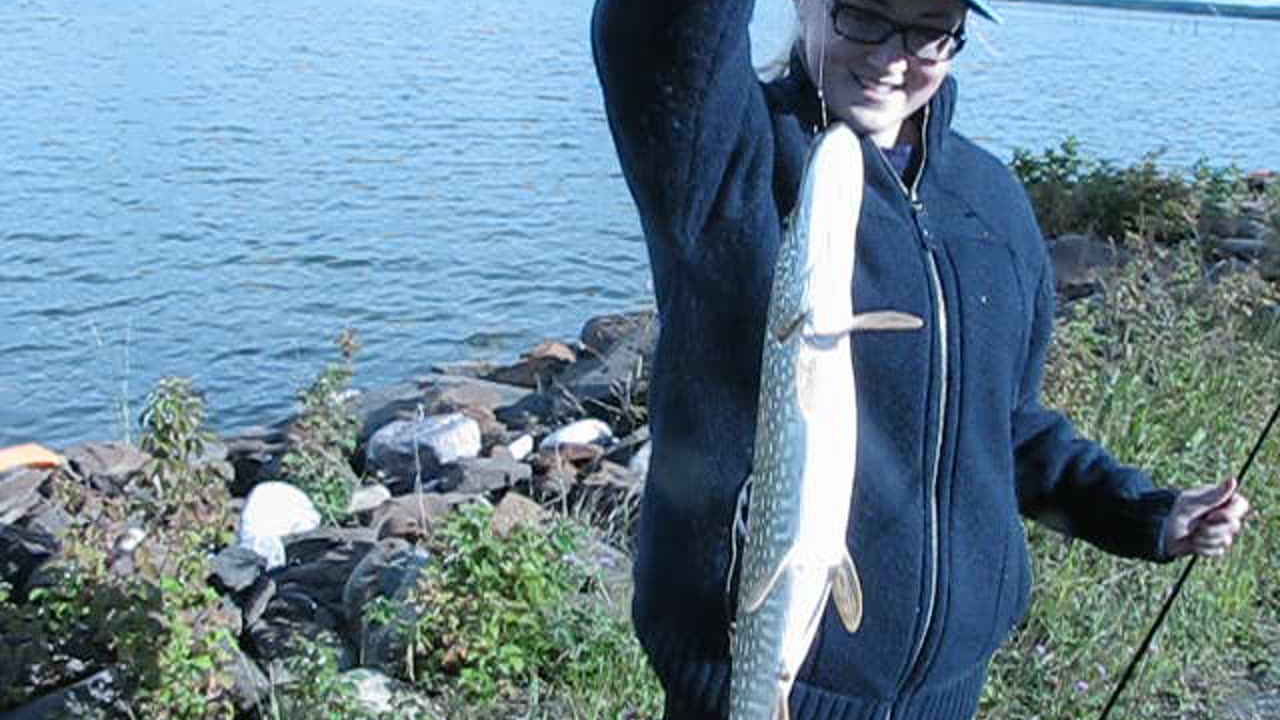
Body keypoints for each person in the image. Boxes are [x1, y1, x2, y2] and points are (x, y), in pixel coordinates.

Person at [590, 0, 1252, 718]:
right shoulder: (726, 163)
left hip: (944, 700)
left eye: (928, 29)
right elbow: (655, 33)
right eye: (862, 17)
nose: (889, 56)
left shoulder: (991, 206)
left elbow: (1005, 428)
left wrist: (1145, 513)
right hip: (745, 688)